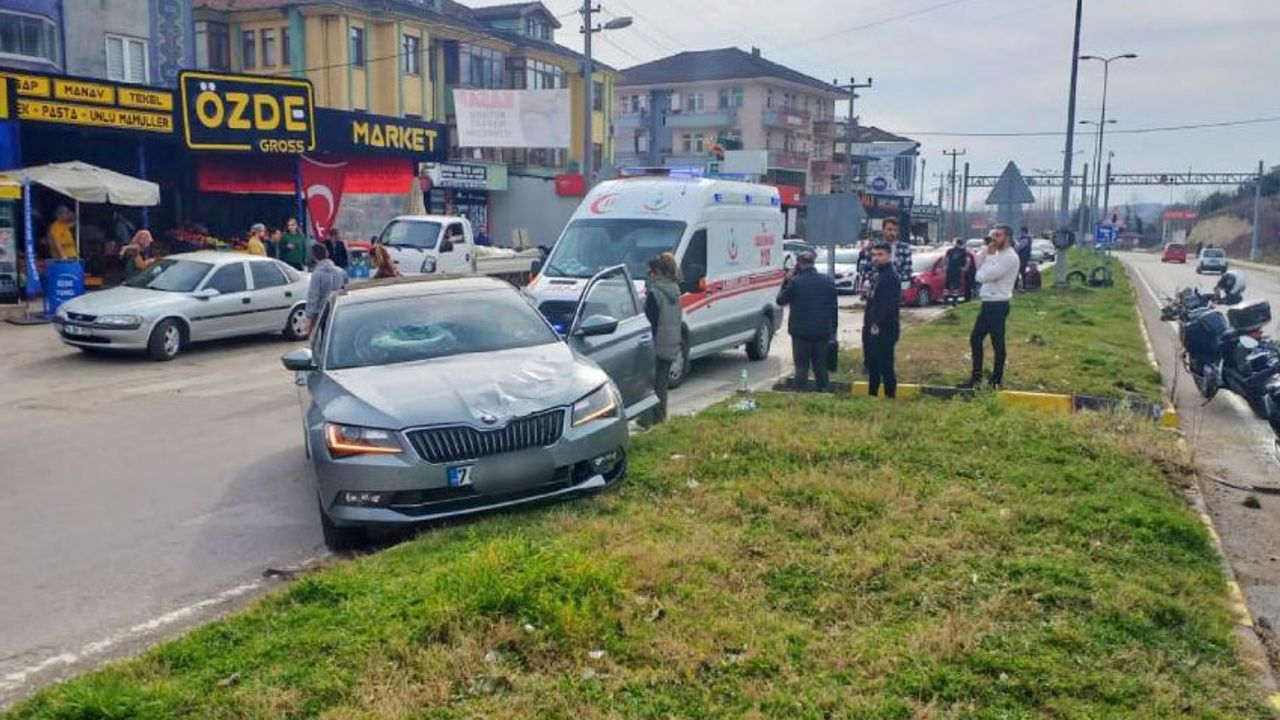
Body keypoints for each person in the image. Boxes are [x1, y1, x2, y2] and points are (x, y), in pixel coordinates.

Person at [959, 225, 1020, 390]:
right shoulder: (997, 254)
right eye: (993, 235)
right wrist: (987, 251)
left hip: (998, 304)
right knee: (976, 339)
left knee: (997, 343)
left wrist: (990, 258)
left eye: (998, 236)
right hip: (988, 303)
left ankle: (995, 381)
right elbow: (977, 264)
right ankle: (977, 378)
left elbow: (982, 276)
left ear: (1007, 237)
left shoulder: (1010, 257)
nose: (994, 239)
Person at [777, 250, 838, 392]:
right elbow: (834, 309)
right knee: (820, 366)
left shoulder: (795, 282)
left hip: (800, 333)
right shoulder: (827, 281)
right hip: (822, 332)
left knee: (801, 367)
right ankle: (824, 392)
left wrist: (786, 280)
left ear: (798, 264)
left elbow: (780, 300)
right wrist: (833, 332)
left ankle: (799, 394)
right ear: (813, 263)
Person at [643, 253, 683, 425]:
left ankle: (652, 419)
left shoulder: (655, 294)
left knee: (650, 385)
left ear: (659, 272)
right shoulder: (675, 291)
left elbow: (650, 321)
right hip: (671, 342)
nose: (649, 274)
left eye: (651, 271)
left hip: (657, 343)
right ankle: (659, 417)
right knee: (662, 383)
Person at [863, 241, 901, 398]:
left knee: (885, 364)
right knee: (872, 363)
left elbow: (888, 305)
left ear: (889, 256)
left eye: (880, 255)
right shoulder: (878, 275)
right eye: (874, 255)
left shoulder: (890, 277)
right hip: (873, 325)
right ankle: (872, 394)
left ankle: (890, 395)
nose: (876, 258)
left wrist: (876, 324)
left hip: (884, 328)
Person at [305, 243, 348, 332]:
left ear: (314, 257)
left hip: (322, 313)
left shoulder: (317, 274)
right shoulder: (341, 271)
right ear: (326, 254)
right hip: (338, 311)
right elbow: (346, 288)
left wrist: (309, 318)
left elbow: (313, 296)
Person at [881, 217, 912, 292]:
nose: (892, 233)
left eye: (895, 230)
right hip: (877, 289)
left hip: (896, 289)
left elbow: (907, 270)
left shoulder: (904, 249)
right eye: (889, 229)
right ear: (883, 230)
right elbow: (867, 269)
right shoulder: (874, 247)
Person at [944, 237, 969, 307]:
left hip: (950, 270)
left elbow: (946, 259)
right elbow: (967, 261)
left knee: (947, 286)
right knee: (956, 287)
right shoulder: (964, 251)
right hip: (958, 270)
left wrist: (945, 267)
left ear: (956, 243)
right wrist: (964, 268)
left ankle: (945, 301)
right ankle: (954, 302)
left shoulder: (950, 250)